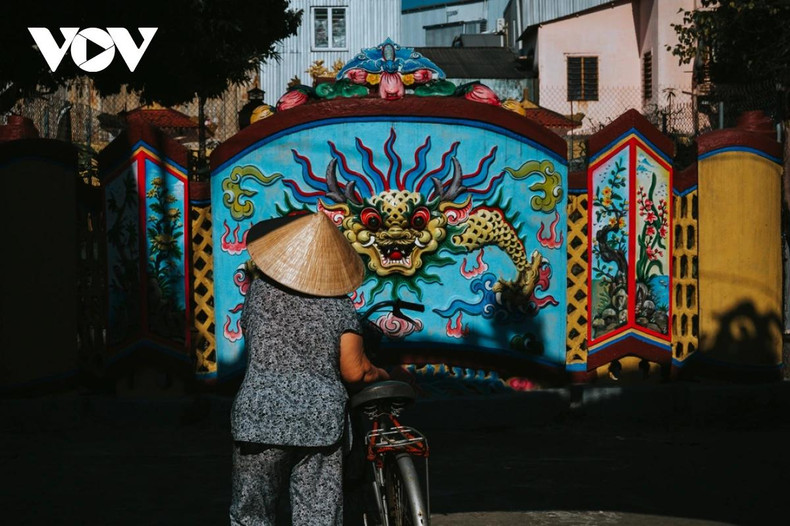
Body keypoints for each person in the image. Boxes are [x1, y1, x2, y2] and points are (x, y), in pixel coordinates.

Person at [229, 211, 389, 526]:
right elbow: (355, 372)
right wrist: (384, 375)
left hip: (259, 417)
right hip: (320, 423)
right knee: (317, 517)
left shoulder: (258, 294)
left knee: (251, 516)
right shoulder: (339, 305)